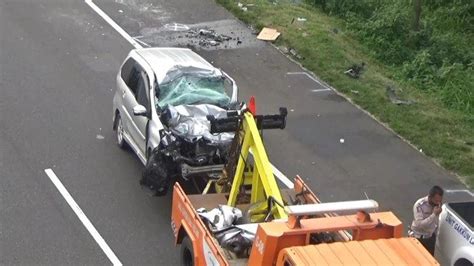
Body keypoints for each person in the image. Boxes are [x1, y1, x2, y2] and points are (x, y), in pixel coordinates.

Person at [409, 185, 444, 255]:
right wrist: (434, 214)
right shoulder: (419, 205)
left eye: (440, 201)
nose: (438, 203)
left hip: (430, 237)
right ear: (430, 197)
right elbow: (420, 225)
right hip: (418, 237)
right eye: (436, 200)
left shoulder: (437, 205)